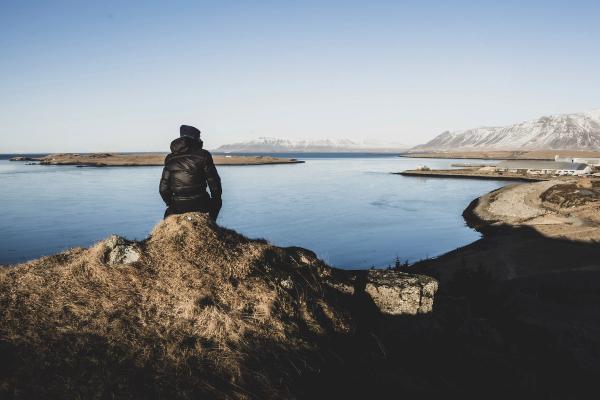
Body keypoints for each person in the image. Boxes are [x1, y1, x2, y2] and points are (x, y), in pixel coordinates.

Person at [159, 125, 222, 220]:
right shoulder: (204, 155)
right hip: (201, 204)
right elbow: (214, 184)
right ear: (195, 138)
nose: (201, 140)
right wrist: (216, 199)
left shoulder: (170, 158)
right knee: (218, 201)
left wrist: (170, 204)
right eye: (199, 137)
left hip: (177, 206)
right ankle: (210, 224)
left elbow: (163, 189)